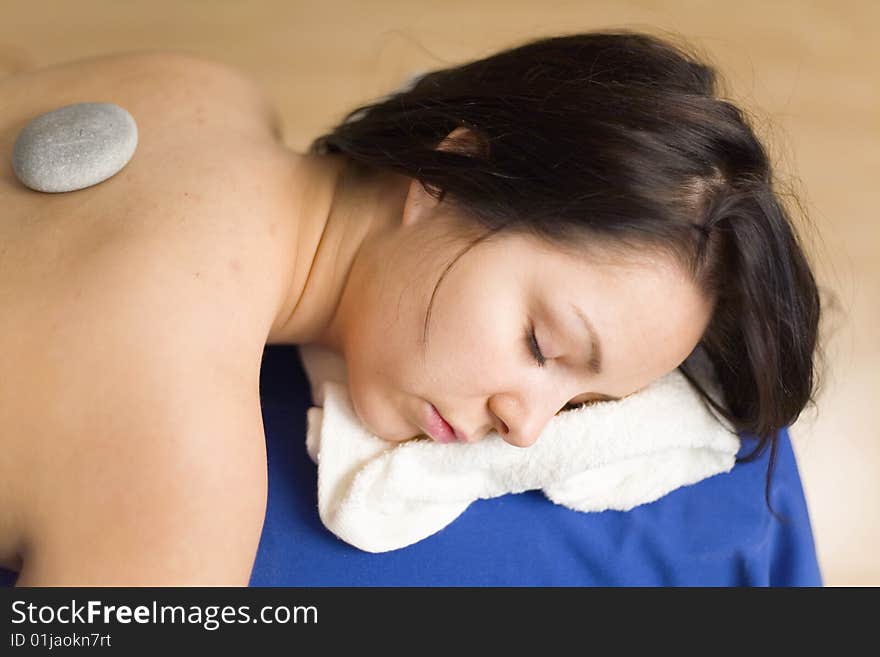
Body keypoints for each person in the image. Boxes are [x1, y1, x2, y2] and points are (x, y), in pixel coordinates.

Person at [0, 29, 824, 584]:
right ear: (445, 173)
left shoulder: (195, 88)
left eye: (579, 403)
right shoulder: (183, 475)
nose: (527, 428)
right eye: (540, 344)